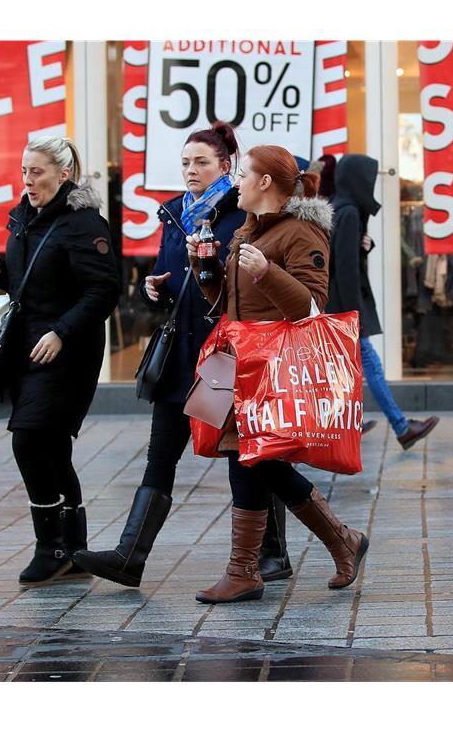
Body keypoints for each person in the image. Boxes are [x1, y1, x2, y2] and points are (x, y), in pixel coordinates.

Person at [71, 122, 293, 586]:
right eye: (186, 163)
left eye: (201, 162)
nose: (191, 170)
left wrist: (213, 271)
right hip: (180, 349)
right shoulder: (175, 214)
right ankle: (130, 556)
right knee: (161, 452)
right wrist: (155, 287)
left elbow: (248, 283)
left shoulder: (242, 214)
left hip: (226, 350)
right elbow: (170, 275)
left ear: (225, 166)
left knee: (247, 455)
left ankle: (273, 552)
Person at [190, 145, 369, 604]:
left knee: (252, 460)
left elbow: (312, 307)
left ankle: (246, 569)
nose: (236, 183)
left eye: (243, 174)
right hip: (243, 365)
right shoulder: (250, 231)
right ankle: (337, 542)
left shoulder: (301, 233)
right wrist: (205, 267)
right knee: (255, 461)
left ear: (265, 182)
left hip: (275, 370)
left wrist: (267, 271)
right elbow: (227, 306)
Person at [0, 136, 120, 587]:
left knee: (29, 441)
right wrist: (2, 274)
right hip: (28, 345)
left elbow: (103, 291)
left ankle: (51, 547)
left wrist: (62, 332)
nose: (27, 180)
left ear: (63, 175)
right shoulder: (25, 217)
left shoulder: (83, 224)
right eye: (24, 171)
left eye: (36, 172)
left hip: (68, 351)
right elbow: (33, 283)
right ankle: (72, 550)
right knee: (53, 448)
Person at [324, 153, 439, 449]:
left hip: (337, 306)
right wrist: (353, 316)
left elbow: (339, 256)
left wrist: (366, 244)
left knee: (343, 370)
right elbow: (345, 269)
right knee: (368, 366)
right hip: (343, 308)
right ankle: (400, 427)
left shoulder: (340, 208)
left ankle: (346, 424)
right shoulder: (348, 212)